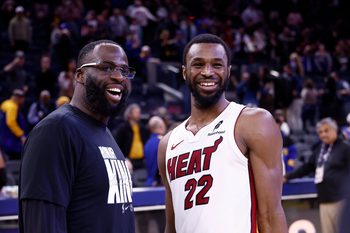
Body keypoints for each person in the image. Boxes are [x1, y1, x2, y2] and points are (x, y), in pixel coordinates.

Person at [158, 33, 287, 233]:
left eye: (217, 65)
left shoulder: (253, 122)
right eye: (198, 64)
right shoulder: (168, 143)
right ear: (184, 72)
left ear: (228, 72)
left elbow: (271, 214)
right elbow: (172, 225)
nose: (207, 72)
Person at [19, 40, 136, 233]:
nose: (118, 76)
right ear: (80, 75)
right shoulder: (56, 131)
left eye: (124, 70)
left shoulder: (105, 133)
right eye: (106, 68)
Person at [284, 117, 350, 233]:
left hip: (341, 201)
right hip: (324, 202)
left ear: (335, 130)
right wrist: (287, 177)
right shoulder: (319, 149)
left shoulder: (345, 148)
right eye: (320, 132)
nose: (323, 134)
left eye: (326, 130)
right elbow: (307, 167)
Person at [114, 103, 149, 170]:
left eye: (139, 112)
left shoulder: (143, 129)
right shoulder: (123, 129)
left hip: (142, 161)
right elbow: (117, 144)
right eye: (136, 112)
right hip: (128, 161)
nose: (139, 114)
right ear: (129, 114)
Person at [0, 89, 27, 160]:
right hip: (12, 141)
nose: (23, 100)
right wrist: (21, 135)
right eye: (22, 97)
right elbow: (10, 122)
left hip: (5, 138)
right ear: (18, 97)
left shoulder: (6, 103)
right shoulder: (12, 107)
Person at [144, 115, 167, 186]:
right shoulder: (163, 142)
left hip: (149, 182)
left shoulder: (147, 143)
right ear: (161, 126)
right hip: (159, 184)